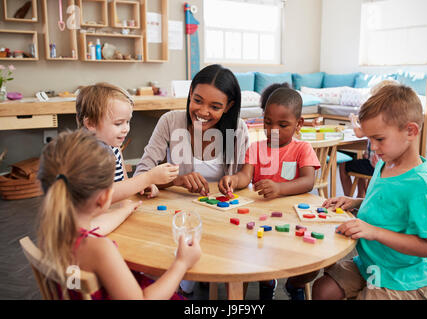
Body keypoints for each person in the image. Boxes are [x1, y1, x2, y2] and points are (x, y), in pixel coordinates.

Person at [37, 129, 201, 299]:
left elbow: (97, 226)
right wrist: (181, 264)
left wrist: (124, 210)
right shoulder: (100, 250)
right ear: (105, 197)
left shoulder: (52, 232)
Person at [311, 84, 427, 300]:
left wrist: (374, 232)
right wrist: (355, 201)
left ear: (411, 131)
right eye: (370, 139)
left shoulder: (420, 185)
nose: (373, 147)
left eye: (379, 139)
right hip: (371, 264)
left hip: (402, 280)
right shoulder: (384, 163)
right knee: (323, 289)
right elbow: (387, 204)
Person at [134, 64, 249, 295]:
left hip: (221, 217)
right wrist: (177, 180)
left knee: (233, 270)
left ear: (229, 107)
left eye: (215, 107)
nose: (203, 111)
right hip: (178, 216)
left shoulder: (238, 129)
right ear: (189, 95)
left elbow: (245, 176)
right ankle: (186, 277)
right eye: (197, 100)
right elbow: (141, 175)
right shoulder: (170, 121)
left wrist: (233, 180)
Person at [219, 87, 320, 299]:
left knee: (311, 266)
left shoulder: (303, 149)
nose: (273, 130)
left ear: (298, 124)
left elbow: (309, 181)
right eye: (267, 122)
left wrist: (280, 188)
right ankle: (266, 282)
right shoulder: (256, 148)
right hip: (260, 219)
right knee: (254, 253)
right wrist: (233, 179)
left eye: (282, 125)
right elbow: (245, 176)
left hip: (294, 218)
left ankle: (294, 285)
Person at [76, 83, 179, 235]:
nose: (126, 129)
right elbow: (105, 195)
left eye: (128, 121)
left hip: (109, 215)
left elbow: (122, 184)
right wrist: (147, 178)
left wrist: (140, 186)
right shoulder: (92, 152)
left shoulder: (112, 146)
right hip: (89, 226)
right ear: (90, 123)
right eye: (118, 123)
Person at [339, 80, 398, 197]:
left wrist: (353, 120)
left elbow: (359, 133)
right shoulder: (393, 117)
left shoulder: (374, 117)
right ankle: (361, 194)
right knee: (361, 159)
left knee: (344, 165)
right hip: (386, 165)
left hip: (375, 167)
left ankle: (348, 196)